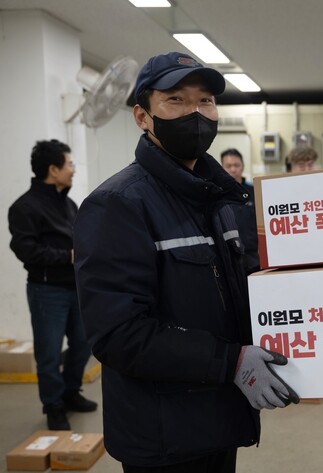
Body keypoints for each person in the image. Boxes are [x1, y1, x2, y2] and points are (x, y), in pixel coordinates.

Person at [73, 52, 299, 472]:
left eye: (205, 101)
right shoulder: (118, 204)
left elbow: (239, 292)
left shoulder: (219, 200)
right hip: (163, 433)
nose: (195, 113)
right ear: (142, 116)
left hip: (219, 417)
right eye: (175, 100)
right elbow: (118, 333)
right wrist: (229, 361)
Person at [8, 139, 97, 431]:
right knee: (48, 352)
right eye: (70, 164)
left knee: (83, 344)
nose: (73, 169)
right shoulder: (24, 207)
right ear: (53, 169)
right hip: (46, 291)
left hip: (76, 288)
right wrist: (66, 257)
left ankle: (70, 392)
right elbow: (26, 250)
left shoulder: (69, 204)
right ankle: (53, 406)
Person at [220, 148, 259, 274]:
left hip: (254, 256)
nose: (233, 169)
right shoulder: (217, 194)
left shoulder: (254, 192)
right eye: (228, 166)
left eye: (236, 165)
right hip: (229, 256)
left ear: (242, 167)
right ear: (222, 168)